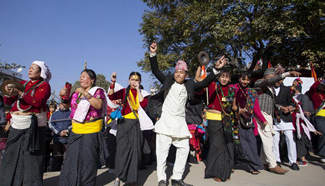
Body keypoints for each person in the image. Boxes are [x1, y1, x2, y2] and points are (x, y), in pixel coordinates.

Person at [149, 42, 219, 186]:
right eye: (177, 72)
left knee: (184, 149)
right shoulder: (168, 81)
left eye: (182, 72)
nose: (179, 74)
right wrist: (153, 54)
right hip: (165, 122)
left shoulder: (190, 84)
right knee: (162, 153)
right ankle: (162, 180)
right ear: (174, 73)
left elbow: (205, 82)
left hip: (180, 123)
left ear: (186, 74)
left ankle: (176, 179)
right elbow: (156, 70)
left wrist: (217, 69)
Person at [0, 61, 51, 186]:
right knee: (11, 155)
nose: (29, 70)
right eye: (29, 67)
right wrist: (8, 91)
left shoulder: (44, 86)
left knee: (31, 157)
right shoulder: (23, 83)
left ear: (41, 72)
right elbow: (8, 100)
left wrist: (22, 94)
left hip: (34, 126)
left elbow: (38, 102)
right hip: (17, 124)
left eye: (33, 68)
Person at [59, 69, 108, 186]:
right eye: (80, 76)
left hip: (90, 131)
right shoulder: (76, 93)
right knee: (71, 160)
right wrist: (63, 96)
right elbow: (66, 106)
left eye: (84, 76)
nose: (81, 78)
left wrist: (86, 94)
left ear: (92, 80)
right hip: (76, 131)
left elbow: (98, 105)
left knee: (88, 161)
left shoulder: (98, 91)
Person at [254, 67, 300, 174]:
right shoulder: (260, 82)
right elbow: (270, 81)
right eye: (273, 76)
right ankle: (272, 164)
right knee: (268, 139)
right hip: (262, 113)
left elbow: (273, 103)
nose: (275, 79)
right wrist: (287, 74)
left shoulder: (271, 89)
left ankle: (263, 162)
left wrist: (281, 108)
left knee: (266, 139)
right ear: (267, 76)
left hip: (269, 114)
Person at [108, 72, 148, 186]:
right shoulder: (124, 92)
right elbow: (111, 96)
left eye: (136, 80)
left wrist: (138, 90)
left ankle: (131, 180)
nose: (134, 82)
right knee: (122, 151)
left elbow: (143, 104)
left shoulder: (143, 93)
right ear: (128, 80)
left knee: (135, 152)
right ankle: (118, 177)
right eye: (132, 79)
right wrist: (113, 83)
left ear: (140, 81)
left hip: (136, 124)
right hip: (123, 123)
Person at [204, 65, 235, 182]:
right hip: (213, 118)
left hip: (226, 119)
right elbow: (199, 79)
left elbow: (233, 105)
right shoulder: (213, 85)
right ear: (218, 77)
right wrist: (204, 65)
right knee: (217, 145)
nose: (224, 79)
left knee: (225, 145)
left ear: (230, 79)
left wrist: (237, 109)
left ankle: (224, 170)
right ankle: (215, 171)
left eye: (227, 77)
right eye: (222, 76)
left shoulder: (232, 89)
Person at [232, 73, 266, 175]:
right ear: (239, 79)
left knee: (251, 143)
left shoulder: (252, 92)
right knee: (242, 145)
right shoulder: (233, 89)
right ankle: (252, 165)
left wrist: (262, 119)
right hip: (235, 120)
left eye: (247, 80)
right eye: (243, 79)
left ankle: (254, 165)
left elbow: (256, 108)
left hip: (248, 121)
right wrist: (239, 110)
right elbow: (229, 103)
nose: (245, 82)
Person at [273, 79, 299, 170]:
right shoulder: (269, 89)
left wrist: (290, 107)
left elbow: (292, 103)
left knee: (290, 139)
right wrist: (280, 107)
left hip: (286, 117)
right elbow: (271, 103)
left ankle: (293, 161)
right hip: (275, 118)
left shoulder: (287, 89)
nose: (277, 81)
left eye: (279, 79)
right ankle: (277, 160)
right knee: (275, 139)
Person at [48, 99, 72, 170]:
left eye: (65, 103)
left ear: (68, 104)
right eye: (62, 103)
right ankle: (55, 171)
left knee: (68, 157)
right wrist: (59, 132)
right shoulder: (54, 114)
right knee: (57, 156)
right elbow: (50, 124)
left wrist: (67, 130)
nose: (63, 105)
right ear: (60, 104)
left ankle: (68, 171)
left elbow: (74, 123)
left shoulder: (72, 113)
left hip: (68, 139)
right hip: (57, 139)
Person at [306, 79, 325, 162]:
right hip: (319, 116)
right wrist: (320, 80)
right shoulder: (314, 94)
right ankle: (322, 153)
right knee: (323, 132)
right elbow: (313, 87)